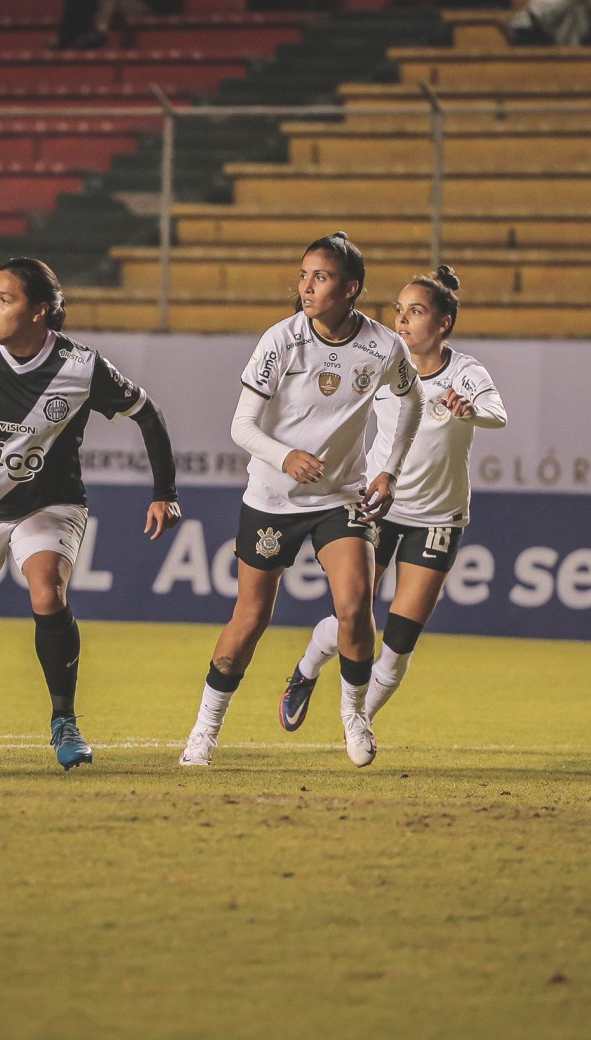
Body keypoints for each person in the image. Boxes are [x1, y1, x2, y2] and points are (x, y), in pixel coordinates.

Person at [0, 257, 182, 771]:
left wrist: (164, 491)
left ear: (40, 311)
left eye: (6, 299)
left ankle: (65, 722)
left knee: (48, 589)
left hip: (51, 503)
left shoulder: (81, 366)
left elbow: (147, 415)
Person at [178, 231, 424, 768]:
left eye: (321, 277)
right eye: (304, 275)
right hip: (272, 498)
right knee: (251, 617)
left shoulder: (384, 346)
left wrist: (388, 471)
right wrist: (284, 455)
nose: (307, 286)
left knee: (356, 607)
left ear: (351, 288)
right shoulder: (281, 340)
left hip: (340, 497)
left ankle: (355, 717)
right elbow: (242, 426)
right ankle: (204, 731)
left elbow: (411, 402)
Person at [279, 266, 507, 734]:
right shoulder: (382, 363)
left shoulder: (466, 372)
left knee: (400, 642)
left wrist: (471, 412)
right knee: (353, 616)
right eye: (399, 311)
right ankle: (305, 671)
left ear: (443, 323)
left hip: (439, 516)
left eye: (416, 312)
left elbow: (497, 414)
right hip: (379, 505)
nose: (402, 321)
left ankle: (357, 721)